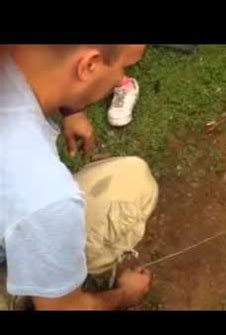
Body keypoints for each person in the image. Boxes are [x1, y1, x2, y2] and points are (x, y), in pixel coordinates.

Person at [0, 45, 158, 310]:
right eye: (124, 67)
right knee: (133, 181)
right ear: (89, 66)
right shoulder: (47, 193)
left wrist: (72, 108)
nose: (121, 79)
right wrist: (126, 295)